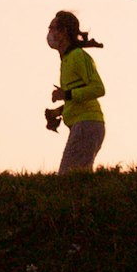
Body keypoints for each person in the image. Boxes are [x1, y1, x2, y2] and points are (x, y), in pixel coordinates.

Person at [44, 10, 108, 174]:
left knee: (67, 178)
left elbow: (98, 89)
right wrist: (59, 111)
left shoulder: (78, 56)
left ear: (63, 31)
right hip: (81, 124)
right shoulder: (66, 60)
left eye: (52, 29)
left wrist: (66, 95)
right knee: (79, 179)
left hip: (87, 124)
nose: (49, 34)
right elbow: (78, 94)